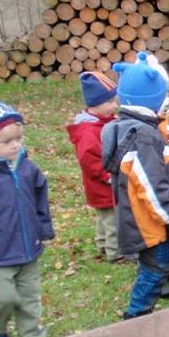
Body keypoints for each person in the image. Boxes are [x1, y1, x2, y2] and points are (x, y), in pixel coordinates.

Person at [101, 52, 169, 319]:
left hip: (155, 218)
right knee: (154, 271)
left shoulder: (128, 127)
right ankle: (136, 316)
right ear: (153, 99)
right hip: (153, 224)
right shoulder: (143, 138)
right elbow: (151, 185)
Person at [0, 101, 53, 337]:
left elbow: (40, 198)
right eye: (7, 142)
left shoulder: (27, 168)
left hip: (28, 248)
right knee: (4, 298)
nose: (16, 145)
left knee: (29, 298)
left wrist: (43, 228)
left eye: (19, 138)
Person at [66, 72, 121, 262]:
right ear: (94, 104)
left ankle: (102, 243)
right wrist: (107, 175)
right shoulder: (89, 132)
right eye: (110, 102)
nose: (115, 106)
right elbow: (89, 161)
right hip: (103, 185)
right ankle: (115, 252)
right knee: (112, 219)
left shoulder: (103, 122)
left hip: (103, 185)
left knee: (105, 217)